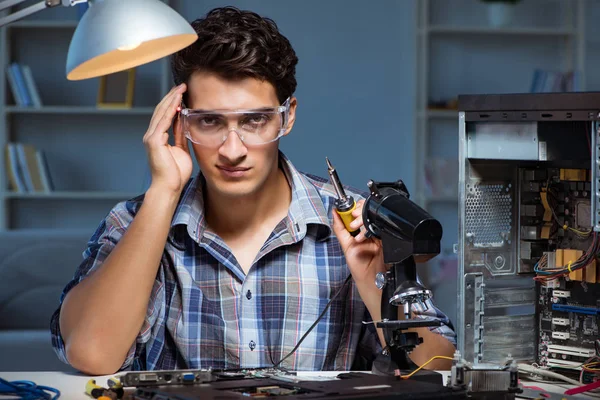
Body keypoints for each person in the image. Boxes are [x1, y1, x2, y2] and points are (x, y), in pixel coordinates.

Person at [50, 6, 456, 375]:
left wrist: (374, 281)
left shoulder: (354, 225)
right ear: (180, 120)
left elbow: (437, 367)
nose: (232, 150)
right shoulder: (136, 220)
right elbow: (91, 354)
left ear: (287, 117)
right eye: (208, 121)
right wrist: (162, 193)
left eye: (255, 120)